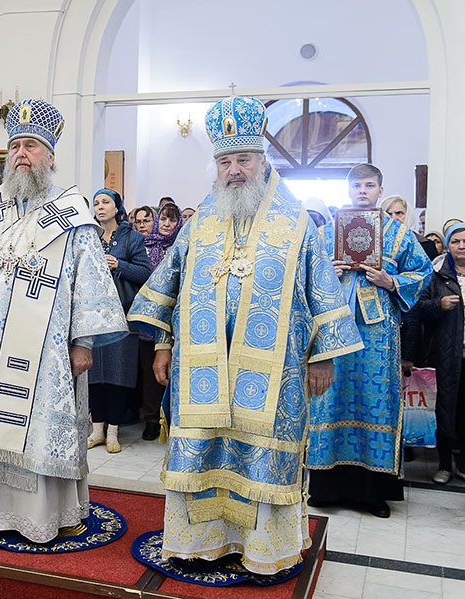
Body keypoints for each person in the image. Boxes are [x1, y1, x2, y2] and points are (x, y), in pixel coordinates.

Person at [127, 96, 363, 574]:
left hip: (276, 373)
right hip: (201, 369)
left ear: (262, 160)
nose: (233, 170)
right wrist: (164, 344)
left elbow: (321, 287)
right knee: (201, 448)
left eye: (243, 159)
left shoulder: (297, 223)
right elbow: (169, 284)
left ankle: (261, 549)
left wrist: (324, 355)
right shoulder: (199, 224)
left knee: (262, 456)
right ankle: (200, 543)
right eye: (224, 161)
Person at [0, 98, 128, 543]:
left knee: (39, 433)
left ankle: (45, 515)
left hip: (47, 352)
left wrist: (84, 343)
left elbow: (88, 284)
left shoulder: (72, 212)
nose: (20, 153)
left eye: (31, 145)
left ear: (50, 156)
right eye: (15, 144)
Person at [308, 163, 433, 518]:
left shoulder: (398, 234)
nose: (362, 191)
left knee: (373, 399)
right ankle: (325, 488)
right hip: (334, 332)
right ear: (348, 191)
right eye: (356, 186)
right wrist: (326, 274)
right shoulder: (326, 232)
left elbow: (421, 272)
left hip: (377, 334)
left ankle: (371, 492)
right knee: (330, 399)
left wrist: (390, 281)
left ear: (380, 189)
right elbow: (304, 276)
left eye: (369, 185)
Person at [87, 188, 151, 453]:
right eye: (96, 203)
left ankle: (113, 432)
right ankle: (96, 430)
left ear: (117, 208)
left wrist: (119, 265)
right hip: (92, 314)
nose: (100, 207)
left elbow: (146, 273)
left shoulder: (132, 237)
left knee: (117, 373)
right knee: (94, 374)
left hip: (122, 315)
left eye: (106, 202)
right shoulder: (88, 236)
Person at [416, 224, 465, 484]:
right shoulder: (436, 275)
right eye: (456, 241)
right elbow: (419, 307)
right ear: (448, 246)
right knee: (445, 409)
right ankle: (444, 464)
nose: (462, 245)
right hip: (446, 354)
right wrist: (440, 304)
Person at [137, 203, 183, 440]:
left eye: (172, 220)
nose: (166, 224)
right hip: (151, 322)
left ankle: (174, 420)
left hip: (176, 322)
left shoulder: (182, 247)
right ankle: (152, 419)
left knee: (174, 373)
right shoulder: (145, 245)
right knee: (150, 374)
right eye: (163, 219)